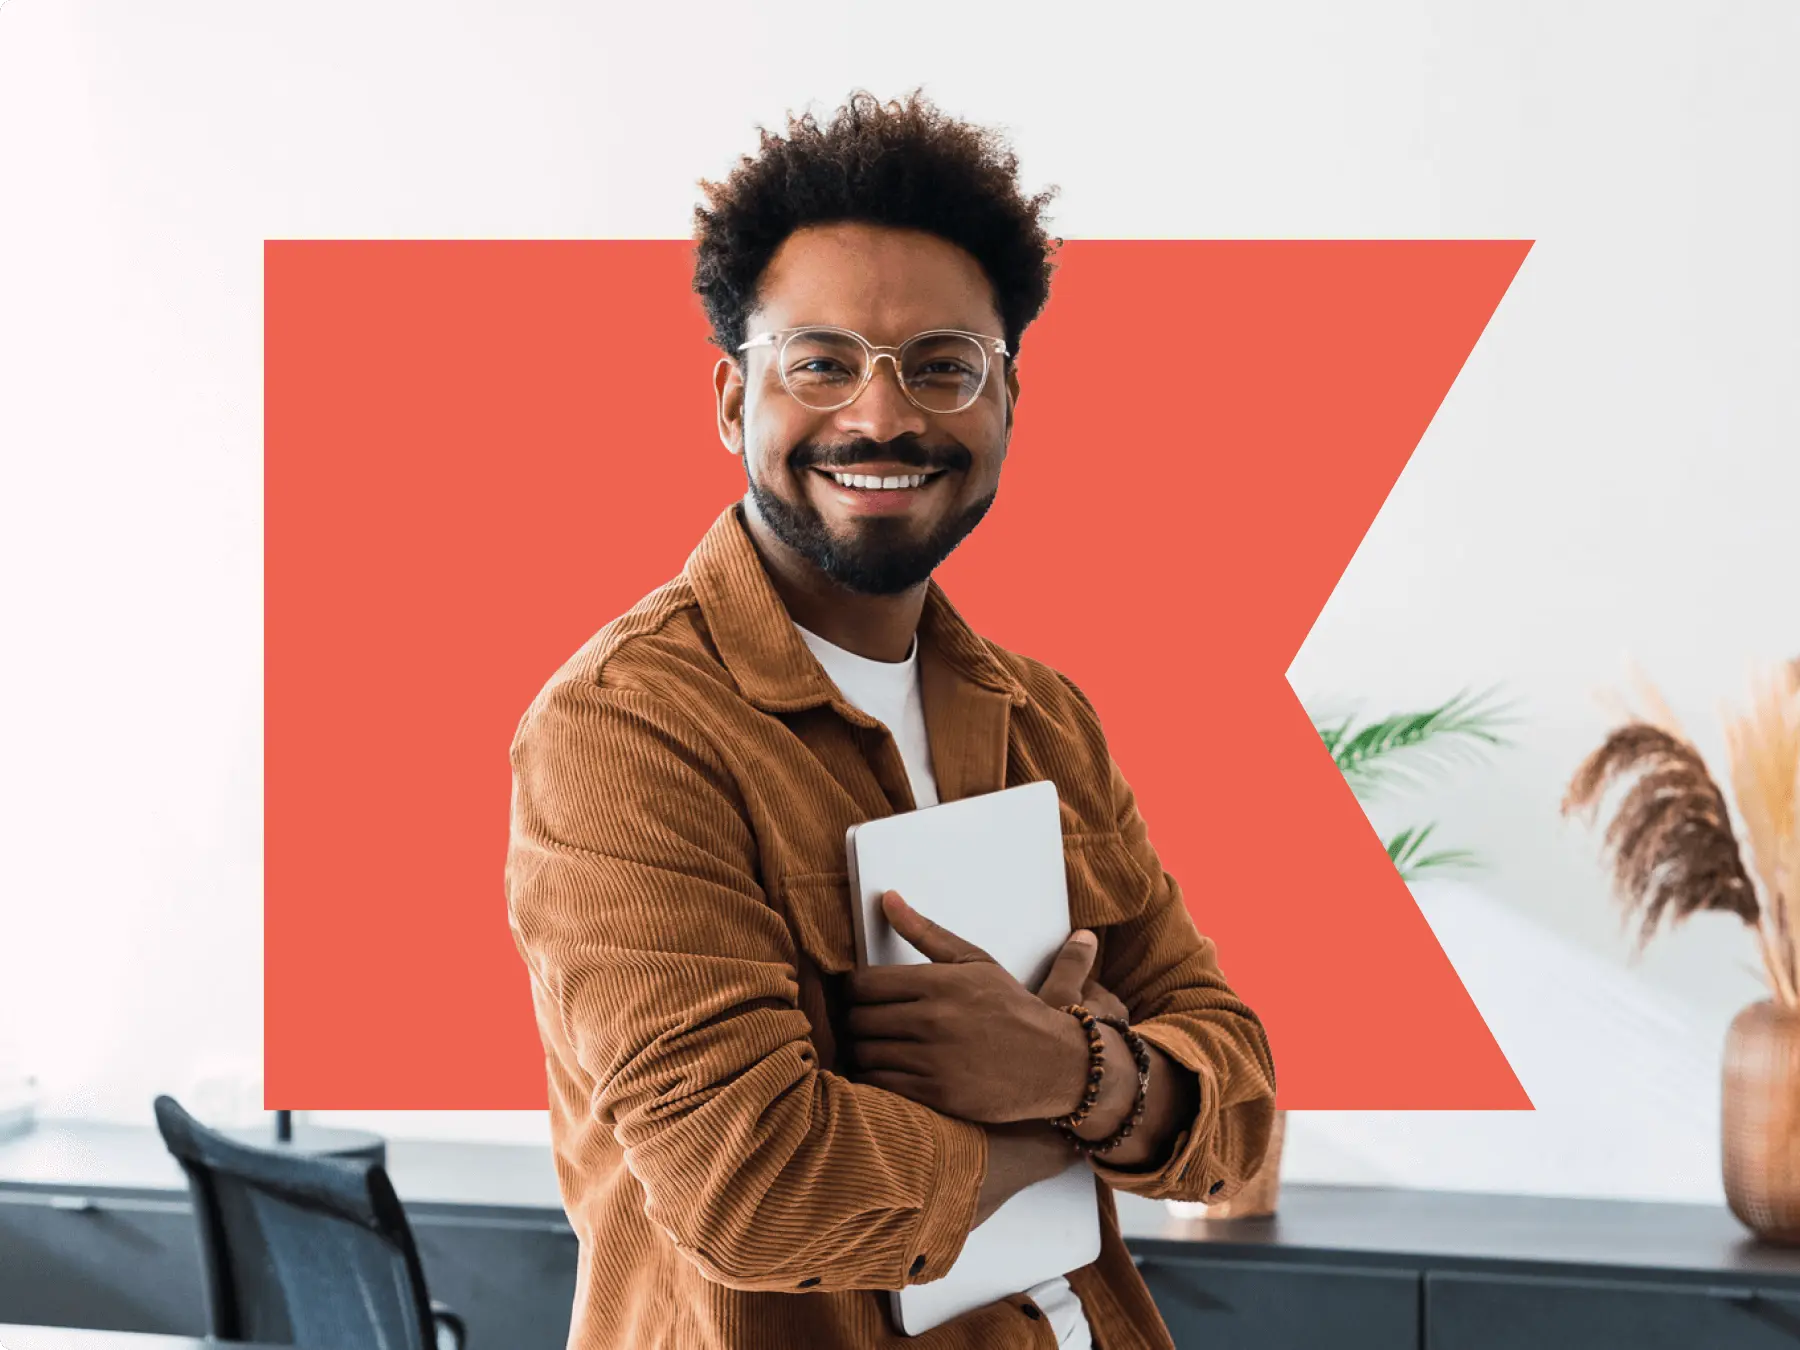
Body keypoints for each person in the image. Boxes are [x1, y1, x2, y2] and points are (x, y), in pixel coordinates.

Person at [505, 88, 1277, 1350]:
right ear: (729, 401)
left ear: (1008, 407)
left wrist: (1066, 1069)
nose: (881, 416)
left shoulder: (1046, 718)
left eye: (942, 367)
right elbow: (754, 1186)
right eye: (820, 362)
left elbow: (1238, 1107)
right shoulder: (625, 731)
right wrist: (1068, 1100)